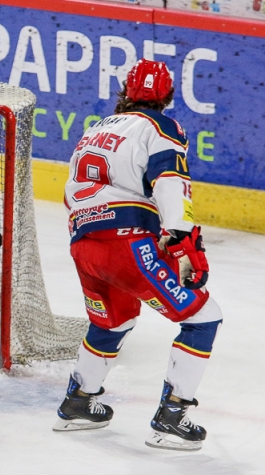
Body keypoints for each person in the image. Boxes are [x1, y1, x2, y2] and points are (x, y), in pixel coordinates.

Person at [53, 59, 223, 451]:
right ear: (167, 96)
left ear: (125, 92)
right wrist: (182, 240)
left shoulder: (96, 129)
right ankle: (172, 417)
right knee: (203, 318)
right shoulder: (163, 126)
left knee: (112, 322)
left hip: (84, 243)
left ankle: (79, 401)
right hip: (125, 244)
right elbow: (169, 181)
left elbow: (70, 194)